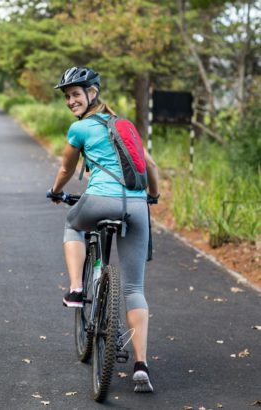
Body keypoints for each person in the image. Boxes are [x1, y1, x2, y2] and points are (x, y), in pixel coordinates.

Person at [48, 67, 159, 393]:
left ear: (92, 93)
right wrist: (153, 196)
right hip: (137, 207)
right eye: (67, 96)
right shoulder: (126, 126)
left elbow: (67, 168)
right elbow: (150, 165)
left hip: (99, 200)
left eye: (76, 94)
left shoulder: (79, 128)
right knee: (134, 288)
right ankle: (141, 366)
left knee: (72, 225)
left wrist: (56, 191)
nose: (71, 101)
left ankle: (78, 288)